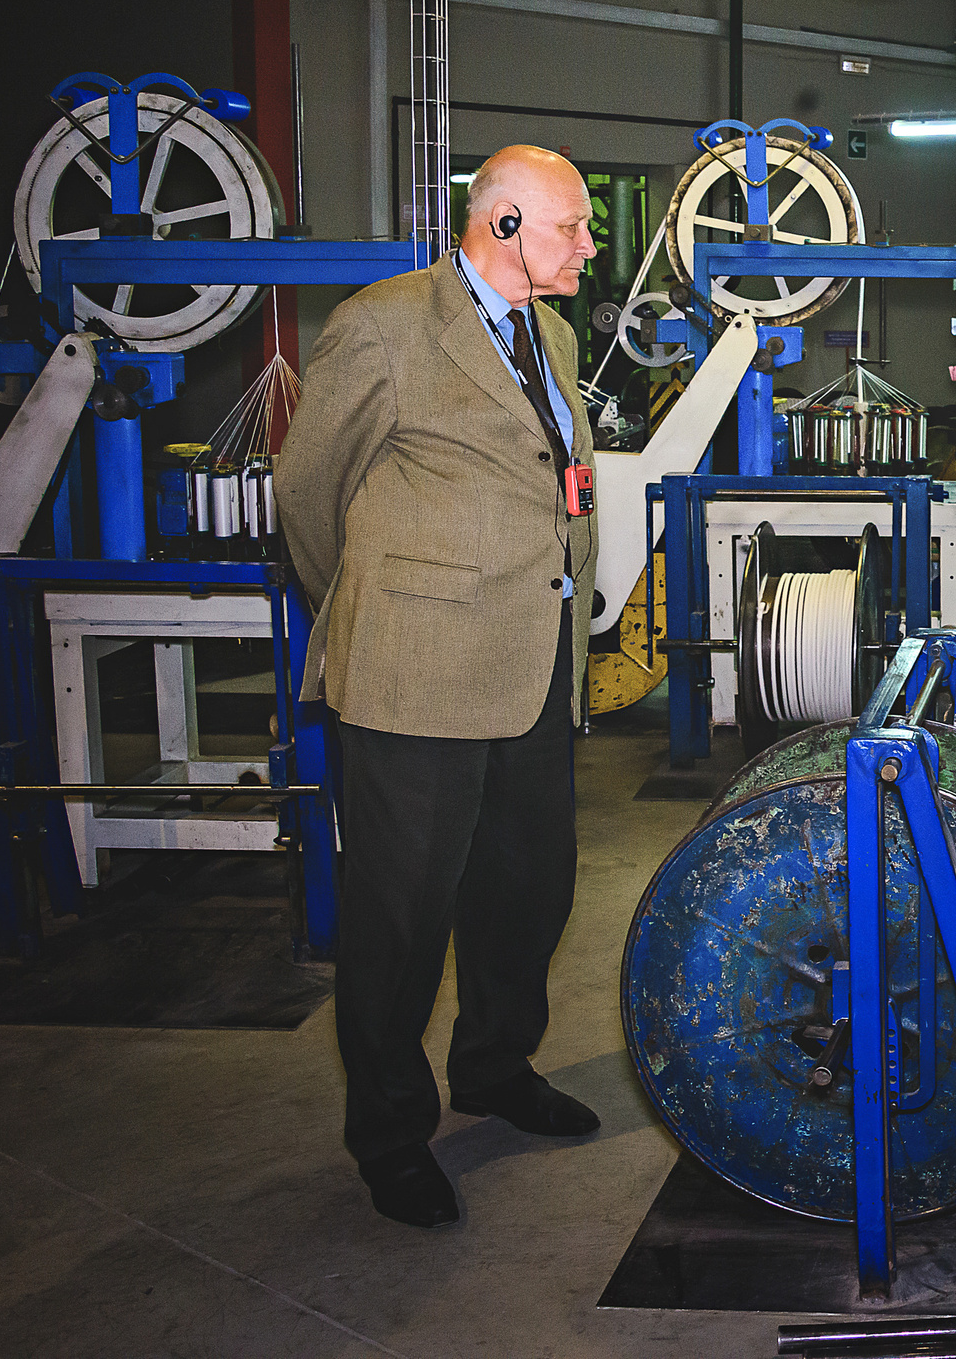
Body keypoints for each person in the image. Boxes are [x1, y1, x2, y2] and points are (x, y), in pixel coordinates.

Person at [277, 144, 603, 1228]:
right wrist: (381, 616)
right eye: (571, 226)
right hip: (417, 680)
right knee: (399, 921)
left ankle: (495, 1067)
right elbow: (311, 496)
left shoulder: (549, 333)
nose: (589, 246)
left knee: (528, 892)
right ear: (503, 225)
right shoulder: (385, 325)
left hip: (533, 664)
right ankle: (387, 1130)